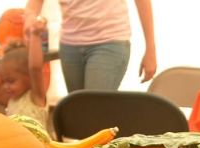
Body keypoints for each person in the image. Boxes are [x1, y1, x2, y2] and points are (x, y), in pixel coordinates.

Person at [23, 0, 157, 92]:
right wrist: (29, 17)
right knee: (79, 110)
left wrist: (150, 49)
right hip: (70, 45)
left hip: (109, 41)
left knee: (94, 108)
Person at [0, 15, 49, 127]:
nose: (5, 86)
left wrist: (35, 35)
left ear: (29, 77)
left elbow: (35, 68)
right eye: (3, 81)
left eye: (10, 81)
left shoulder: (36, 97)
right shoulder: (12, 99)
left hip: (37, 144)